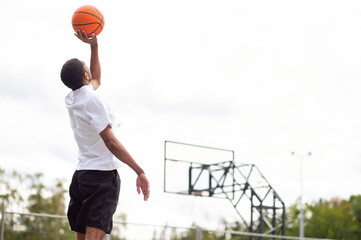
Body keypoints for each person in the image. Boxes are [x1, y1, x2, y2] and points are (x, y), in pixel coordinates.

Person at [60, 30, 150, 240]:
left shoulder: (73, 98)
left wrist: (94, 45)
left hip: (82, 176)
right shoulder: (92, 100)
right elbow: (111, 142)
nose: (89, 71)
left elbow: (96, 77)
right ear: (84, 76)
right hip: (100, 177)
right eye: (86, 67)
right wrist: (140, 171)